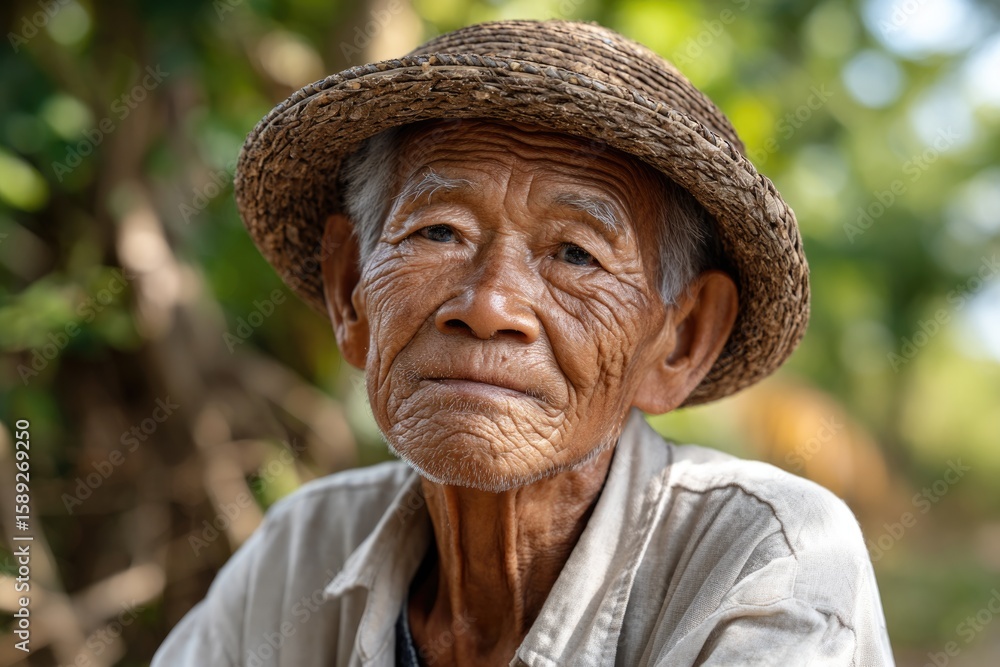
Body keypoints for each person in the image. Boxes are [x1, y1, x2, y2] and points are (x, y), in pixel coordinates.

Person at [153, 19, 893, 666]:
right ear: (351, 291)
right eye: (438, 230)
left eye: (575, 253)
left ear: (681, 340)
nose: (488, 306)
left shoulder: (765, 557)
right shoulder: (301, 549)